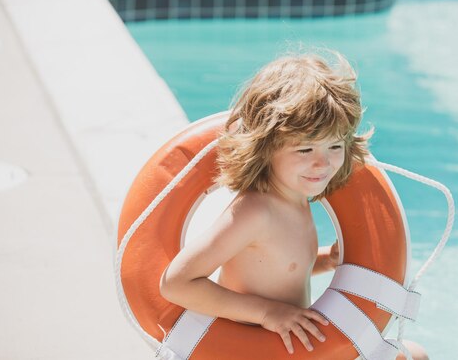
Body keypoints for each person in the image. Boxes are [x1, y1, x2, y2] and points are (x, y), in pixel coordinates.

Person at [159, 50, 428, 360]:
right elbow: (176, 283)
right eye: (305, 149)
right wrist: (267, 313)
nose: (323, 162)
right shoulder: (255, 211)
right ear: (267, 147)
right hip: (251, 350)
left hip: (291, 344)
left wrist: (326, 260)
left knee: (412, 355)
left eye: (335, 146)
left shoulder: (295, 197)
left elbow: (279, 269)